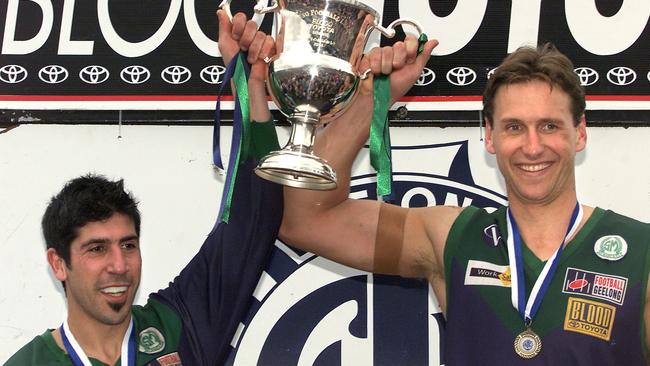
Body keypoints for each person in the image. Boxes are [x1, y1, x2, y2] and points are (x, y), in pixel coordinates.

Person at [277, 41, 650, 364]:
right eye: (514, 127)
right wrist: (373, 100)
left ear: (580, 133)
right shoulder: (452, 237)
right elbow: (308, 218)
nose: (532, 147)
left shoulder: (640, 254)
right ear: (489, 136)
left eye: (549, 126)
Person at [4, 11, 279, 366]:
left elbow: (253, 222)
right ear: (59, 264)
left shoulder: (177, 327)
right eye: (97, 249)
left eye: (128, 244)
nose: (119, 265)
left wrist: (249, 85)